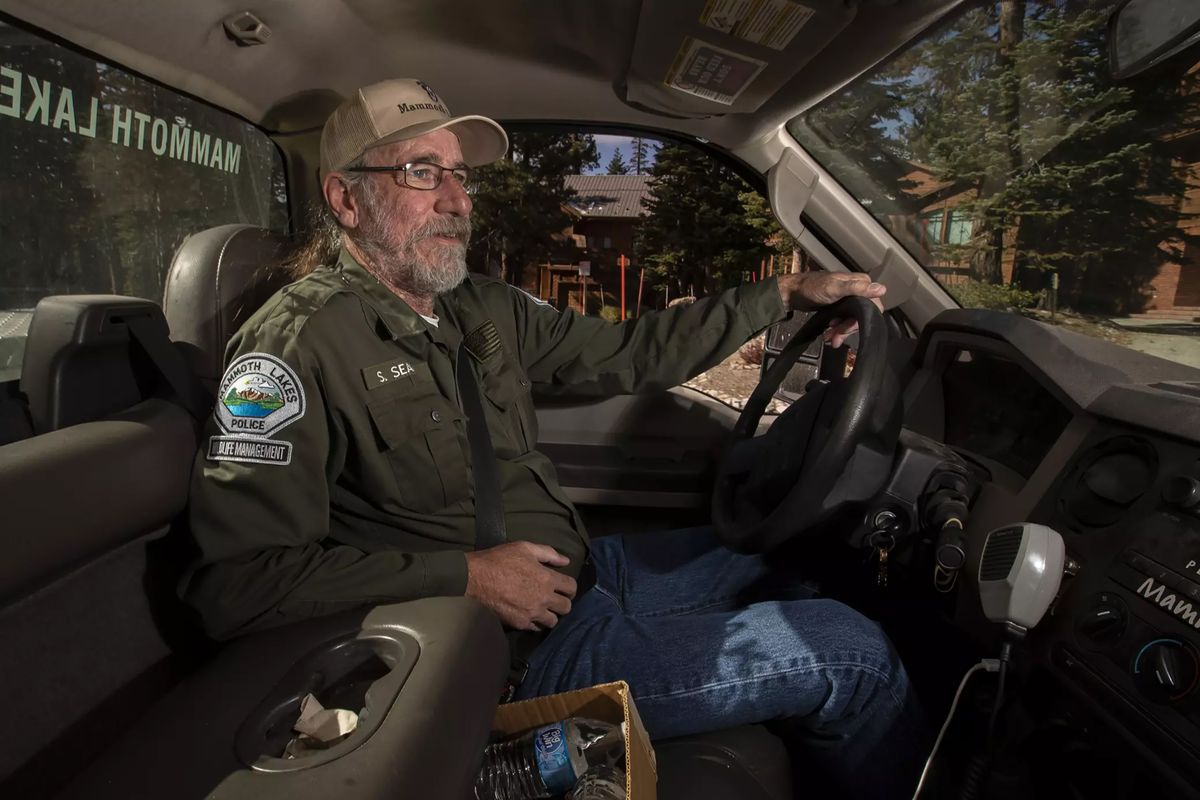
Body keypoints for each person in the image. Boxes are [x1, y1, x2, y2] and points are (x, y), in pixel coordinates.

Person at [182, 79, 920, 797]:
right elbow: (239, 584)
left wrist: (782, 295)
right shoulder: (290, 348)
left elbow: (633, 354)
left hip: (584, 573)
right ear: (346, 198)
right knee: (853, 656)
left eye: (461, 175)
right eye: (421, 172)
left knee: (802, 554)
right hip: (503, 649)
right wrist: (469, 576)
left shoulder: (479, 307)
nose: (458, 200)